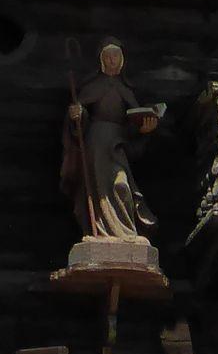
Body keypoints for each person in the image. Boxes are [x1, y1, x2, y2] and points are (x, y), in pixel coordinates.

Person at [64, 41, 164, 244]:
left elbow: (133, 127)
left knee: (121, 184)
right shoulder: (93, 86)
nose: (111, 60)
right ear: (101, 60)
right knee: (97, 187)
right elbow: (78, 121)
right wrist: (78, 115)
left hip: (118, 144)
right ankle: (100, 232)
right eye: (108, 56)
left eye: (115, 55)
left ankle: (125, 232)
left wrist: (145, 130)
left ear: (122, 60)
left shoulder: (126, 89)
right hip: (97, 142)